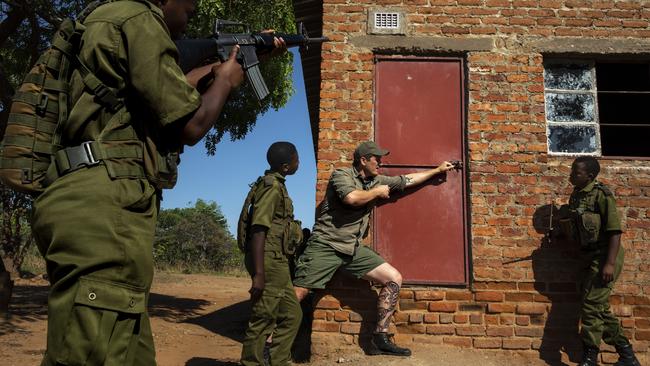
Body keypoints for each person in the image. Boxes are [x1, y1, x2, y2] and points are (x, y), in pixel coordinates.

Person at [29, 0, 284, 365]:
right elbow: (190, 125)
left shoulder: (106, 19)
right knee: (90, 351)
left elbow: (166, 93)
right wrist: (226, 80)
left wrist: (225, 65)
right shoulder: (138, 18)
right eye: (190, 8)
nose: (191, 15)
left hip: (91, 197)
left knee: (126, 348)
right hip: (105, 205)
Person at [292, 141, 456, 356]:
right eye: (376, 159)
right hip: (325, 245)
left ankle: (380, 337)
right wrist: (378, 192)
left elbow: (407, 181)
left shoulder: (377, 180)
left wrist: (437, 170)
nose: (380, 162)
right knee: (298, 293)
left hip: (352, 249)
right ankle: (268, 342)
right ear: (363, 160)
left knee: (393, 278)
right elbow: (351, 198)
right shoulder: (341, 175)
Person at [561, 157, 640, 366]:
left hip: (606, 255)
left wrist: (610, 264)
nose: (571, 175)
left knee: (590, 307)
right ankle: (628, 356)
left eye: (576, 173)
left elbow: (615, 231)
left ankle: (590, 357)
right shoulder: (576, 196)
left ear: (590, 176)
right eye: (572, 171)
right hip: (589, 256)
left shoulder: (602, 195)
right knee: (599, 308)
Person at [240, 142, 303, 366]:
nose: (299, 162)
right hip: (268, 260)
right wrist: (259, 273)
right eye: (297, 158)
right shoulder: (272, 187)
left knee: (292, 315)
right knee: (263, 317)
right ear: (286, 166)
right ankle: (251, 363)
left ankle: (279, 361)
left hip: (279, 261)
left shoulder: (277, 185)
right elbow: (259, 229)